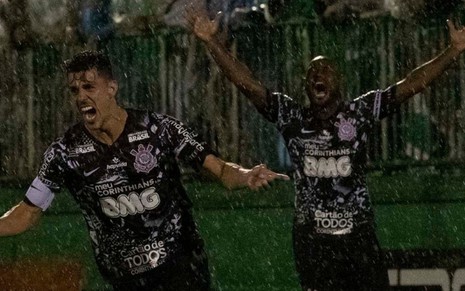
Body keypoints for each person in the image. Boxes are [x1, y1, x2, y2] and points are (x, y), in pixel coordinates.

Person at [189, 9, 465, 291]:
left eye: (326, 71)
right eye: (313, 73)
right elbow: (247, 84)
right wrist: (212, 43)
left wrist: (453, 50)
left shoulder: (359, 113)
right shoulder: (291, 117)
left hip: (358, 238)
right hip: (313, 241)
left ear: (339, 82)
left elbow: (411, 84)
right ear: (307, 85)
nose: (319, 75)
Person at [0, 50, 289, 291]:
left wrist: (246, 174)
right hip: (125, 280)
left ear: (111, 88)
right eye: (74, 90)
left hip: (181, 268)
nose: (81, 97)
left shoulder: (158, 129)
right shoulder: (65, 153)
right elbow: (26, 213)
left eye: (89, 87)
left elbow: (221, 170)